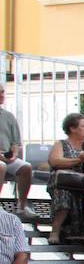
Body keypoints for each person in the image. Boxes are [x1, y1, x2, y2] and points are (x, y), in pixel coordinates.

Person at [47, 112, 84, 240]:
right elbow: (55, 161)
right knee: (64, 193)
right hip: (64, 182)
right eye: (83, 126)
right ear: (72, 128)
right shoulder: (60, 144)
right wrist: (79, 159)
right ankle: (55, 231)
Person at [0, 87, 36, 219]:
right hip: (1, 160)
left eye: (3, 92)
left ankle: (22, 206)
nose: (2, 95)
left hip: (7, 155)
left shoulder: (8, 116)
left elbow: (15, 142)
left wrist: (14, 154)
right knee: (1, 166)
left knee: (26, 167)